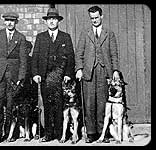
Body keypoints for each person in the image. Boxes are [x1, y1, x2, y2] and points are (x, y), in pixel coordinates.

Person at [75, 5, 119, 143]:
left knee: (102, 104)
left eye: (96, 17)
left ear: (101, 16)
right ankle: (90, 133)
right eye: (92, 18)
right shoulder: (85, 33)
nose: (94, 20)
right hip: (88, 72)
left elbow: (114, 54)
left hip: (104, 72)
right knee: (89, 103)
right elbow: (79, 53)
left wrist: (115, 70)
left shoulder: (109, 33)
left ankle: (103, 133)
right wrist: (79, 69)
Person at [32, 7, 75, 142]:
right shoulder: (41, 37)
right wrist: (35, 74)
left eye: (54, 19)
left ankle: (60, 133)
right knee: (47, 105)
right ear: (46, 21)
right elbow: (35, 58)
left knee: (60, 105)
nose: (51, 21)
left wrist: (68, 74)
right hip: (45, 77)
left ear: (58, 21)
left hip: (60, 78)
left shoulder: (65, 37)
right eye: (49, 19)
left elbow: (71, 58)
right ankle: (48, 134)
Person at [0, 12, 27, 144]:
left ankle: (10, 133)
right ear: (4, 22)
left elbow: (23, 60)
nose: (9, 23)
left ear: (16, 22)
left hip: (13, 78)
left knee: (11, 107)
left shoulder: (20, 37)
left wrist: (21, 77)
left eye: (12, 21)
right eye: (7, 20)